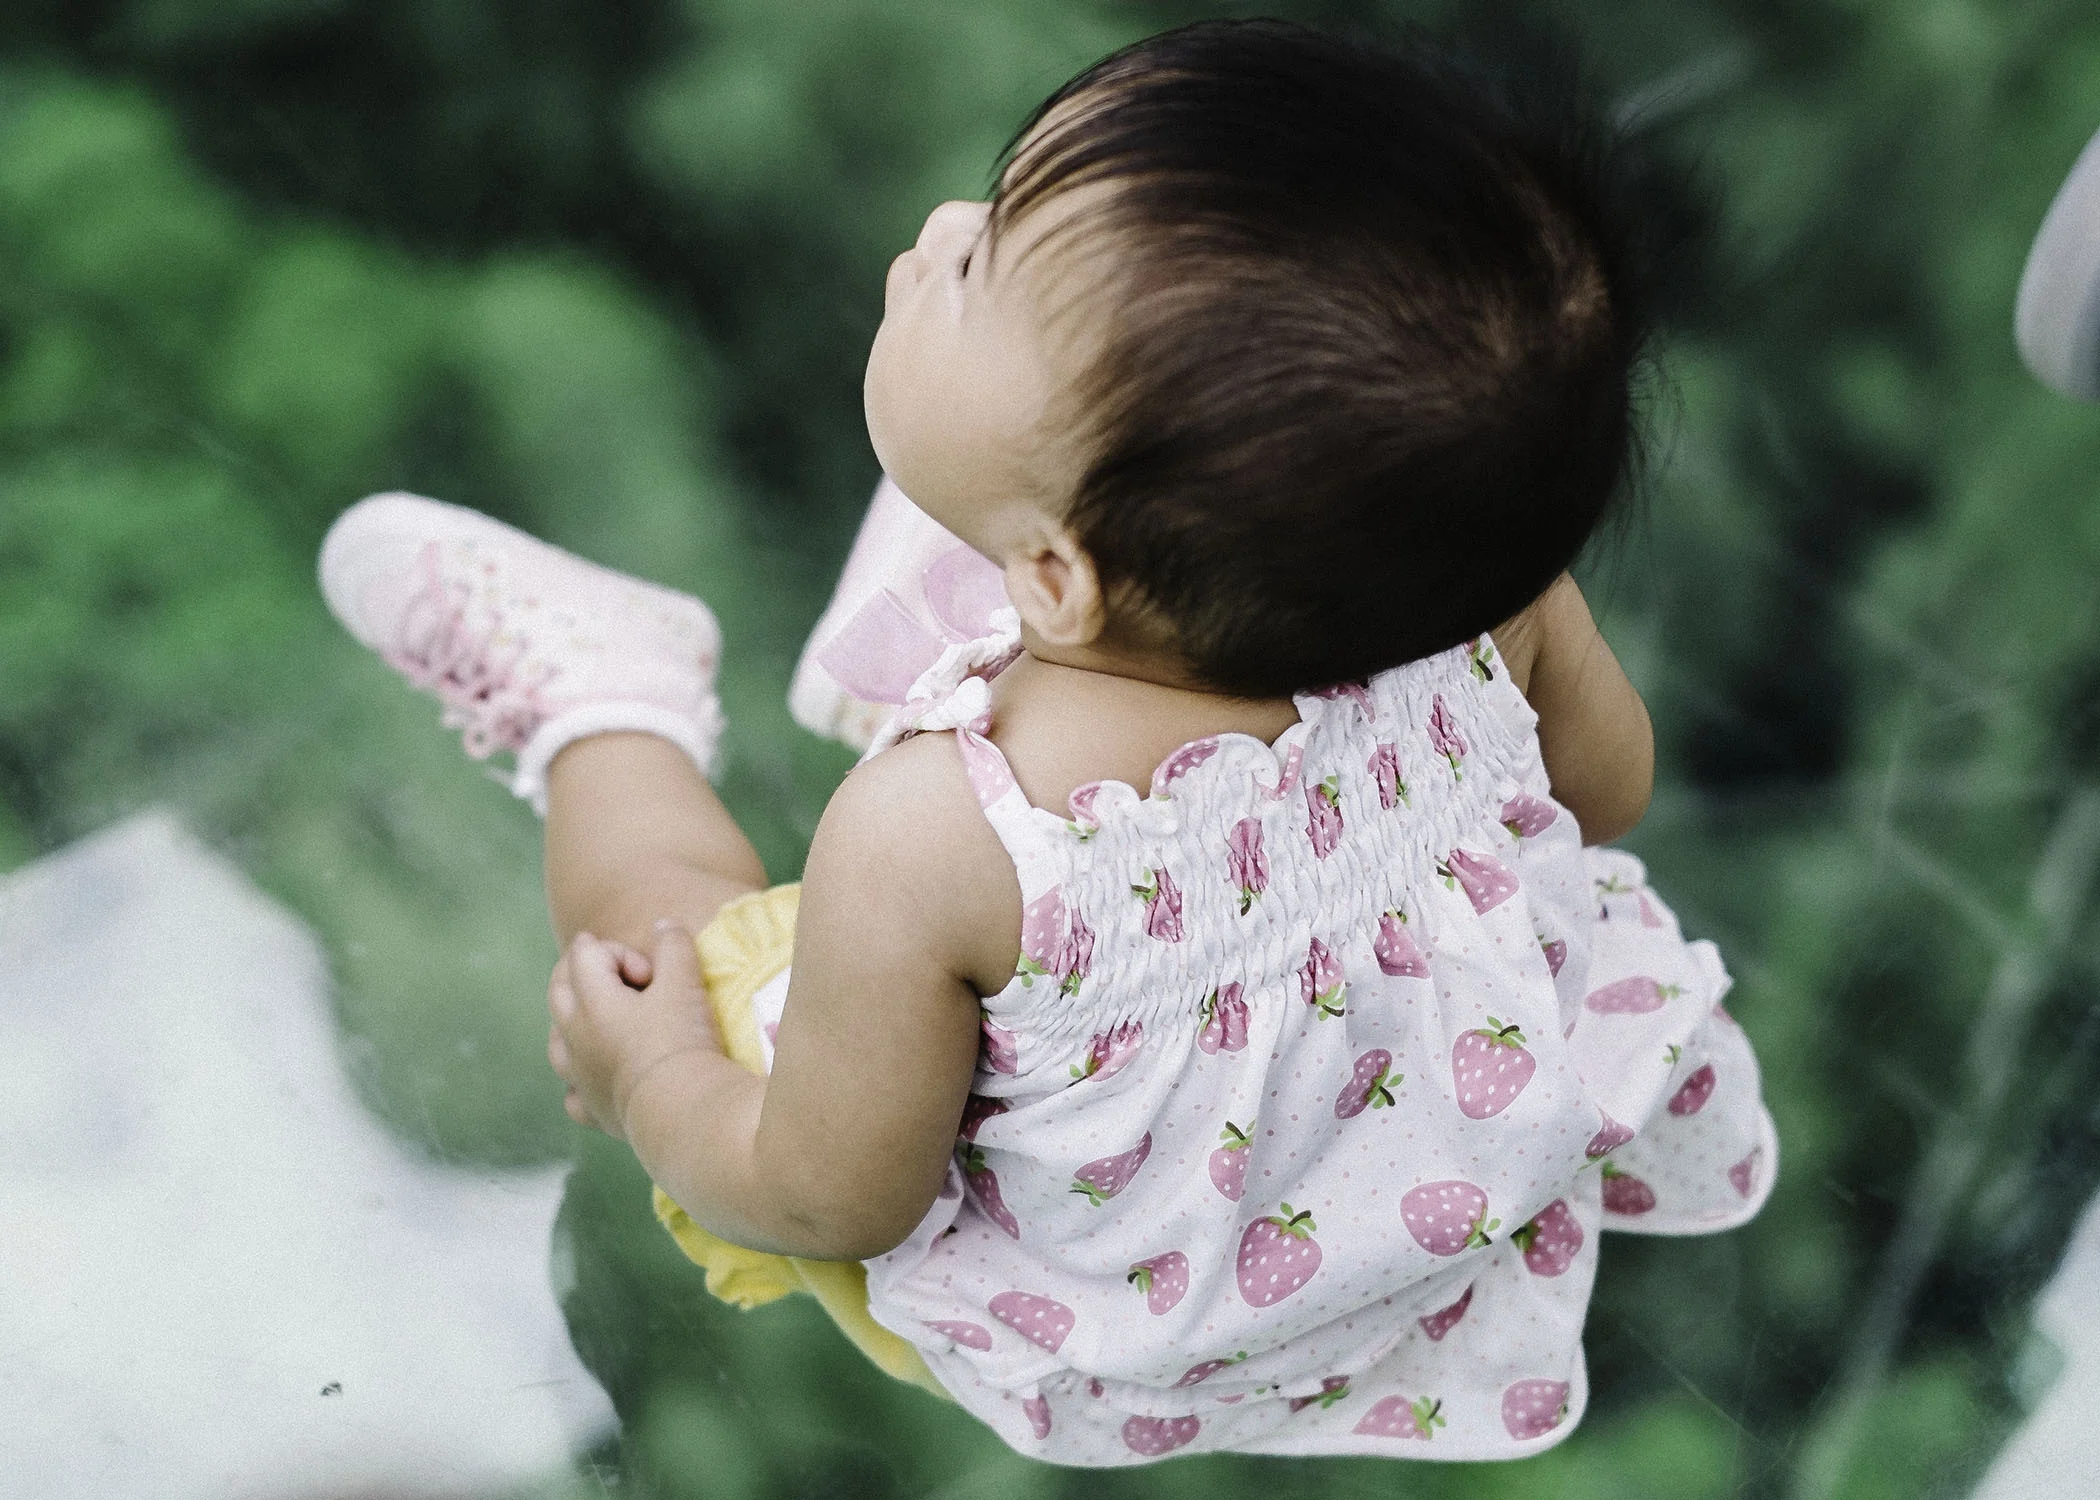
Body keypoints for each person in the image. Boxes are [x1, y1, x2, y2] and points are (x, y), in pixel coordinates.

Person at [318, 18, 1775, 1464]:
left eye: (976, 265)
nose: (945, 222)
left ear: (1058, 581)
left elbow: (833, 1198)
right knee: (1132, 526)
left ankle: (598, 697)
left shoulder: (933, 836)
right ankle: (997, 527)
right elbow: (1602, 794)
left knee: (679, 957)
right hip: (1401, 1243)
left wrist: (653, 1081)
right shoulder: (1486, 593)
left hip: (1121, 1326)